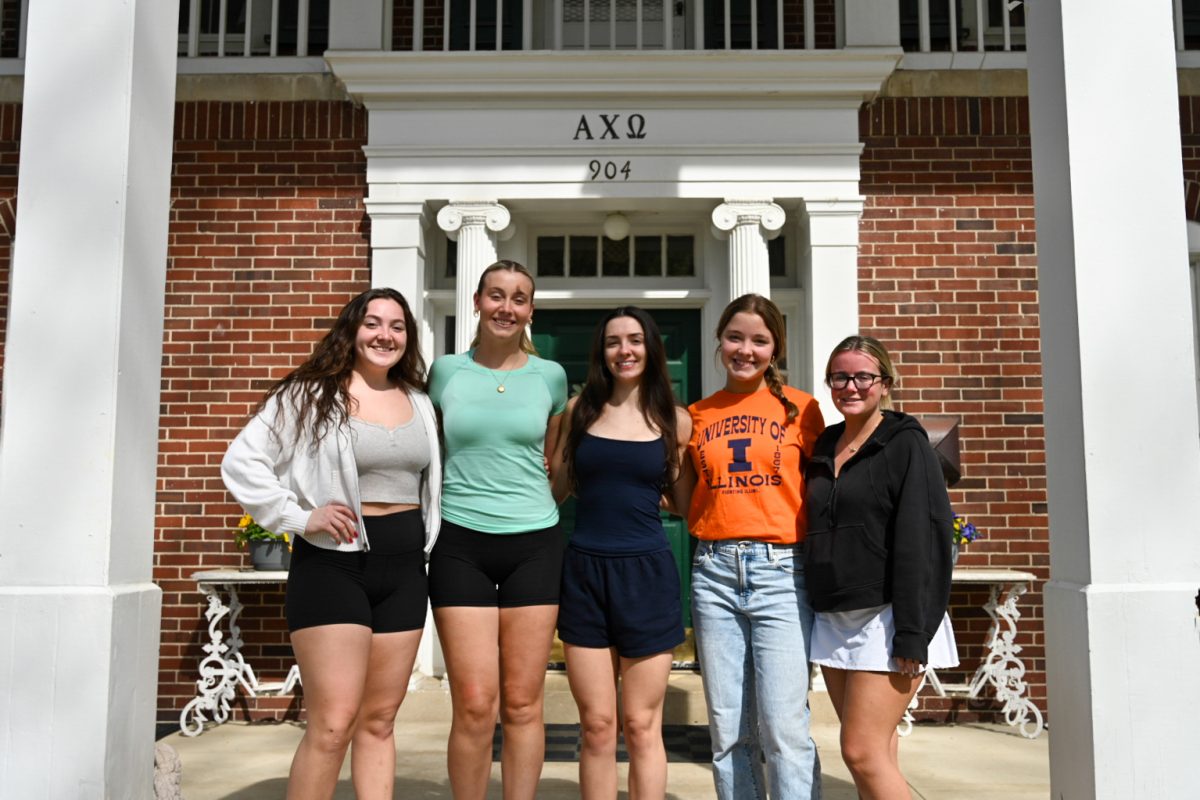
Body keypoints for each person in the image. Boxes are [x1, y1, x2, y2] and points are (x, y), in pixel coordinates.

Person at [221, 288, 442, 800]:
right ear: (352, 329)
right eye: (372, 323)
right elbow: (241, 462)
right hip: (333, 566)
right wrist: (298, 515)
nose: (384, 335)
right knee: (332, 724)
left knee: (380, 720)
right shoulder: (310, 394)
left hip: (406, 568)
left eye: (397, 326)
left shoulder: (421, 403)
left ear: (407, 338)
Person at [426, 260, 568, 800]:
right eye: (496, 296)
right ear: (478, 302)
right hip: (460, 543)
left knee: (524, 701)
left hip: (535, 544)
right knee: (476, 700)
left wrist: (535, 513)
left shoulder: (550, 377)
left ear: (531, 310)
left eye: (520, 298)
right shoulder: (445, 373)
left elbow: (552, 462)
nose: (507, 307)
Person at [680, 293, 826, 800]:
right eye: (735, 337)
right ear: (719, 341)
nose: (746, 350)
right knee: (727, 729)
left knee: (784, 726)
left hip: (782, 572)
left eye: (759, 340)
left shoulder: (802, 411)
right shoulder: (694, 415)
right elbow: (682, 498)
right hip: (713, 571)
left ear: (775, 348)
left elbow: (827, 493)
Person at [804, 335, 959, 800]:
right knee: (879, 756)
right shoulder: (824, 444)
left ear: (885, 384)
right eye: (840, 376)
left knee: (860, 751)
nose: (850, 386)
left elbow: (924, 539)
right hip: (835, 616)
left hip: (887, 616)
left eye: (863, 376)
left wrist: (913, 632)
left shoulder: (905, 443)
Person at [549, 307, 691, 800]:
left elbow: (686, 501)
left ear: (651, 349)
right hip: (585, 572)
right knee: (597, 723)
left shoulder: (676, 420)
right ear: (601, 352)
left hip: (648, 576)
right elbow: (556, 489)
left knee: (641, 722)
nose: (624, 351)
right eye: (613, 342)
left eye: (634, 340)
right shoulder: (578, 411)